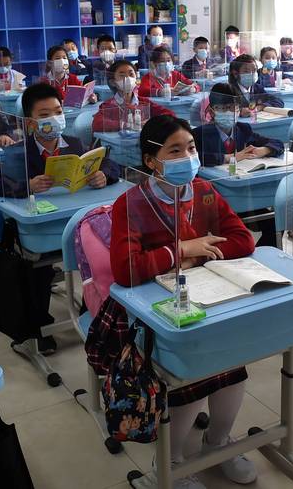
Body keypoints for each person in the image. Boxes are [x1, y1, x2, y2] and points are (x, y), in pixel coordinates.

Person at [110, 115, 258, 488]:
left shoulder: (204, 190)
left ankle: (217, 443)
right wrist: (182, 250)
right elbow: (127, 270)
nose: (187, 157)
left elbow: (243, 240)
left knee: (232, 367)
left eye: (190, 148)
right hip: (152, 311)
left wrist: (193, 256)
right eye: (174, 151)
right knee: (191, 374)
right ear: (150, 161)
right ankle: (171, 462)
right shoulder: (131, 203)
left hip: (209, 296)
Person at [193, 83, 282, 247]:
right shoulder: (200, 134)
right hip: (213, 199)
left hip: (244, 193)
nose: (228, 112)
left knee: (276, 222)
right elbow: (197, 157)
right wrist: (230, 157)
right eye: (222, 108)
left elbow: (277, 143)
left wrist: (264, 150)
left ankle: (258, 254)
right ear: (212, 111)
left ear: (238, 109)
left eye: (231, 107)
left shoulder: (243, 129)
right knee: (234, 235)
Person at [0, 83, 120, 198]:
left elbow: (111, 164)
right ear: (30, 123)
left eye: (58, 112)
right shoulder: (18, 152)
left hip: (72, 204)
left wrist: (103, 175)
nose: (54, 118)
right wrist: (28, 186)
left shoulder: (75, 144)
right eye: (44, 115)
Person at [92, 59, 174, 132]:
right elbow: (97, 123)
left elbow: (169, 114)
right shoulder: (108, 105)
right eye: (122, 75)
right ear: (113, 82)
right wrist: (127, 125)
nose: (128, 78)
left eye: (131, 74)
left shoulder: (144, 102)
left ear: (136, 79)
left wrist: (150, 123)